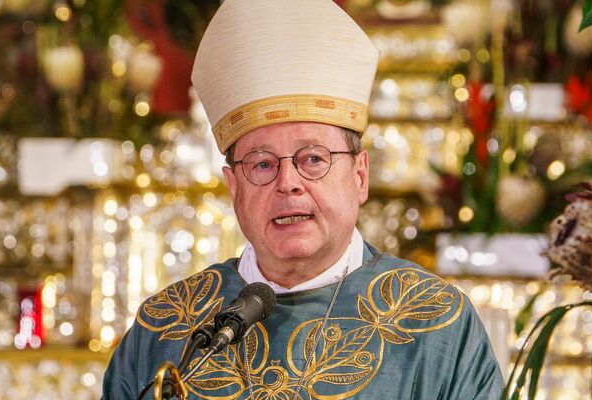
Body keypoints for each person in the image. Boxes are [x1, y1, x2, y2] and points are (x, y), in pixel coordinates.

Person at [102, 0, 504, 398]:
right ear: (233, 186)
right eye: (262, 165)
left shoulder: (435, 323)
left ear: (360, 176)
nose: (288, 183)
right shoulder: (168, 328)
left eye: (313, 159)